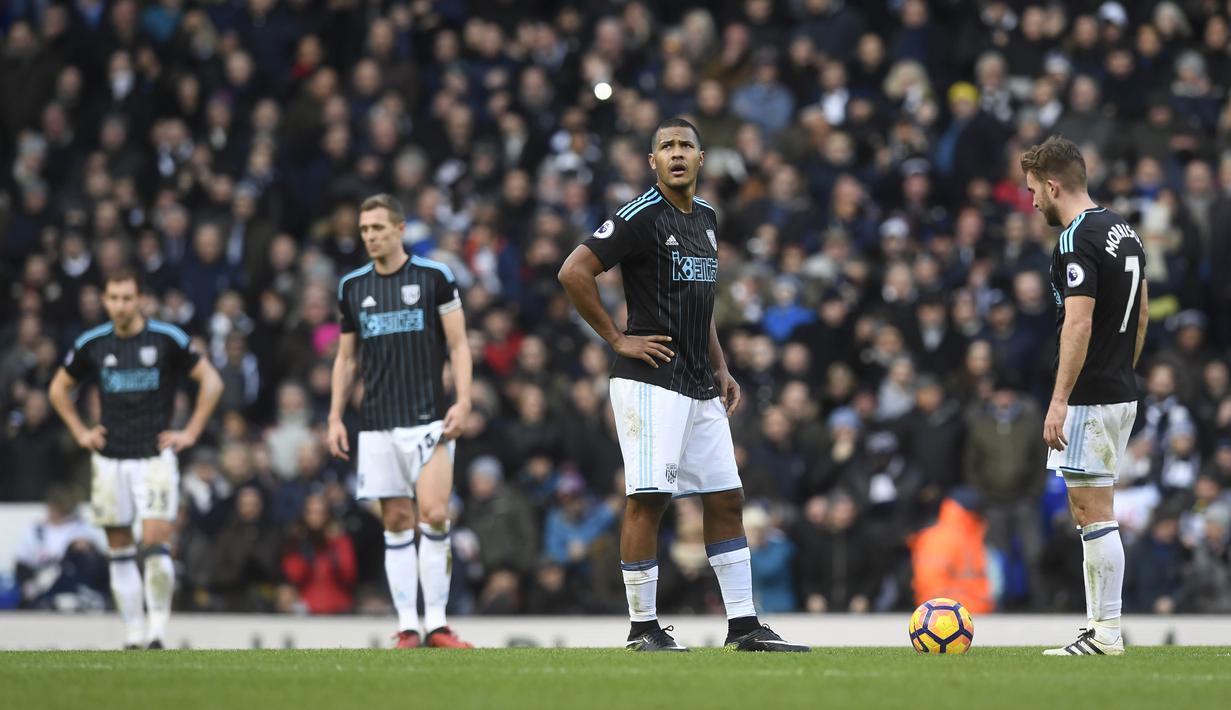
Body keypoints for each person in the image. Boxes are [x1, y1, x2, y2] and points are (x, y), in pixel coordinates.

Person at [558, 117, 808, 652]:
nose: (676, 153)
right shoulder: (639, 216)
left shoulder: (708, 219)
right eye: (666, 146)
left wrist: (721, 366)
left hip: (699, 382)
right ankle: (642, 629)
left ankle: (743, 626)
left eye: (685, 145)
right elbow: (573, 271)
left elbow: (701, 303)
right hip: (651, 381)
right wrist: (617, 339)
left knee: (727, 497)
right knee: (648, 500)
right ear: (653, 161)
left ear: (700, 158)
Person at [47, 268, 224, 648]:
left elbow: (211, 381)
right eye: (114, 298)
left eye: (127, 298)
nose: (121, 306)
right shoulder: (93, 342)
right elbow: (59, 388)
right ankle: (132, 633)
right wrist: (80, 432)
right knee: (120, 547)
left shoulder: (167, 338)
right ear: (104, 300)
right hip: (110, 458)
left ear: (140, 299)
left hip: (154, 455)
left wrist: (191, 431)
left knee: (156, 540)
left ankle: (157, 631)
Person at [327, 194, 474, 649]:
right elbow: (346, 358)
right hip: (376, 423)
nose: (370, 236)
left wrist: (464, 400)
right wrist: (334, 416)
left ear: (400, 229)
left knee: (434, 514)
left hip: (428, 419)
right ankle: (408, 625)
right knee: (394, 520)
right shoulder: (352, 286)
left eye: (377, 227)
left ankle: (438, 623)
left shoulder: (434, 277)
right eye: (364, 229)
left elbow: (459, 345)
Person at [1021, 136, 1149, 656]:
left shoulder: (1076, 239)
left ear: (1053, 186)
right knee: (1095, 507)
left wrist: (1060, 400)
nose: (1032, 202)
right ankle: (1100, 629)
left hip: (1090, 395)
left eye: (1033, 190)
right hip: (1119, 389)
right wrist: (1122, 371)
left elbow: (1078, 323)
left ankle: (1104, 632)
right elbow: (1142, 313)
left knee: (1091, 510)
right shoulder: (1123, 230)